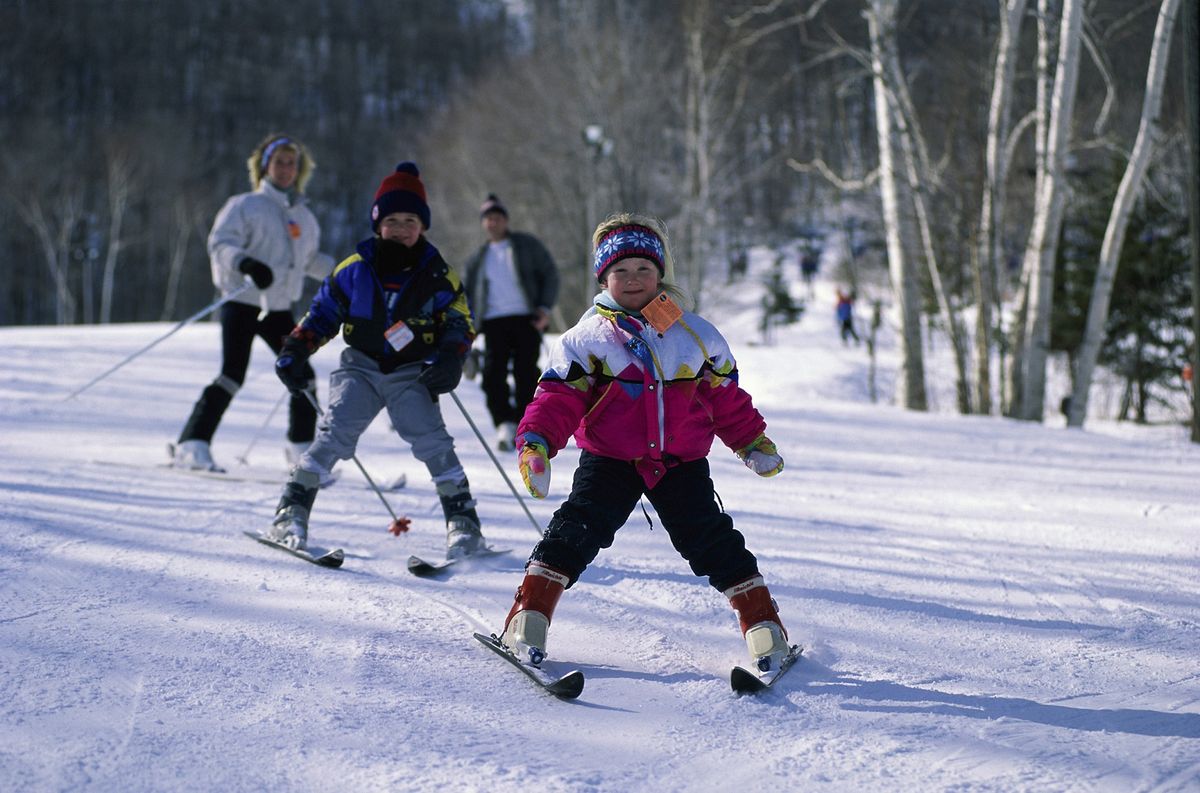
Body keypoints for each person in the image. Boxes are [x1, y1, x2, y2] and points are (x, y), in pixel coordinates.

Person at [494, 212, 792, 674]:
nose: (633, 280)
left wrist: (752, 441)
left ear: (660, 275)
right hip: (610, 459)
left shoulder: (695, 336)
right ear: (603, 277)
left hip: (680, 462)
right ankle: (528, 615)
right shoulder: (587, 340)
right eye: (621, 272)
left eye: (643, 270)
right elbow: (556, 399)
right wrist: (536, 444)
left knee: (710, 538)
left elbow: (726, 399)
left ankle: (763, 624)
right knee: (577, 530)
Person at [267, 162, 488, 558]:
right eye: (391, 219)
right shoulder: (353, 271)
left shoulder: (438, 275)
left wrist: (452, 358)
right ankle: (291, 510)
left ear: (422, 225)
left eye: (410, 219)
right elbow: (321, 315)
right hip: (361, 367)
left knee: (432, 441)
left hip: (411, 373)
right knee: (335, 434)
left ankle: (464, 524)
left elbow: (459, 321)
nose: (401, 228)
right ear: (377, 223)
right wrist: (296, 349)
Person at [172, 133, 334, 472]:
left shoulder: (304, 217)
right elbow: (221, 244)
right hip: (243, 302)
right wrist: (245, 264)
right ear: (264, 167)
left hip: (277, 310)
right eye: (280, 162)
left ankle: (301, 448)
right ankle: (193, 444)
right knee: (232, 374)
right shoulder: (244, 205)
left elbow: (310, 261)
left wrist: (346, 275)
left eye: (292, 164)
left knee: (301, 373)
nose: (286, 169)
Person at [462, 194, 559, 451]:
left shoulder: (526, 246)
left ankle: (528, 425)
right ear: (483, 224)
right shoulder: (477, 258)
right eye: (488, 219)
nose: (493, 223)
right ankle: (504, 423)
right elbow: (465, 294)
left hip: (526, 318)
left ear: (505, 220)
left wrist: (544, 308)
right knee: (493, 374)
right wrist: (468, 326)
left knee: (526, 373)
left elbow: (550, 273)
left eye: (497, 218)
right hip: (492, 322)